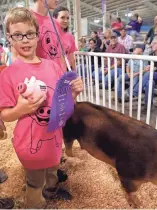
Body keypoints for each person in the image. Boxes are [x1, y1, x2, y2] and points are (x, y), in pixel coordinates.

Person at [0, 7, 83, 208]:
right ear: (9, 38)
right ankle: (34, 204)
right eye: (18, 35)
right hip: (30, 143)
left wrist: (72, 93)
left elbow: (62, 105)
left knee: (53, 168)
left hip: (54, 138)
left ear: (38, 36)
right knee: (35, 180)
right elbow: (5, 115)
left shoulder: (52, 66)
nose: (25, 40)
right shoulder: (7, 74)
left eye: (30, 34)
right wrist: (22, 108)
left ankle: (51, 191)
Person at [134, 37, 157, 109]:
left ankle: (135, 91)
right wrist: (150, 68)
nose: (152, 45)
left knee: (149, 74)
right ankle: (148, 106)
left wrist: (152, 69)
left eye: (155, 43)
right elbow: (151, 68)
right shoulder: (151, 54)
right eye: (152, 43)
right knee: (150, 83)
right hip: (151, 76)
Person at [53, 6, 77, 70]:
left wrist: (75, 73)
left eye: (67, 18)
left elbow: (72, 57)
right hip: (53, 70)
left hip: (66, 69)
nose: (66, 21)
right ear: (54, 18)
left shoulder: (70, 36)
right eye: (62, 17)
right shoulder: (49, 35)